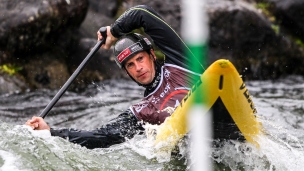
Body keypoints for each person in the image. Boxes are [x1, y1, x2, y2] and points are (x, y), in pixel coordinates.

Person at [26, 5, 204, 149]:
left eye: (140, 58)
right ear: (126, 72)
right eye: (130, 65)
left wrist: (115, 32)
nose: (138, 68)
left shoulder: (180, 62)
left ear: (152, 55)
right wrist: (50, 132)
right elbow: (102, 136)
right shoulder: (141, 112)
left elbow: (142, 14)